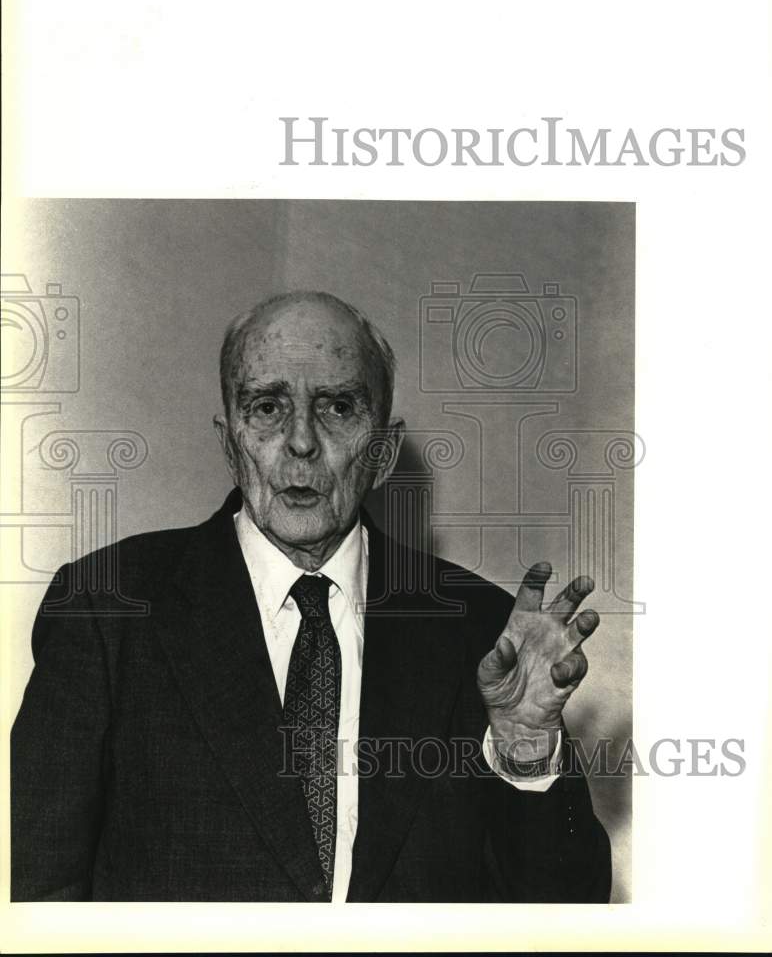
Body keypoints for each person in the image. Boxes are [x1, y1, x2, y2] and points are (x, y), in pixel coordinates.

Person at [11, 291, 611, 902]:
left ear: (380, 449)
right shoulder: (105, 608)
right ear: (229, 441)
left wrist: (526, 751)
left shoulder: (484, 632)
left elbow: (566, 914)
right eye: (268, 406)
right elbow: (36, 896)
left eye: (338, 407)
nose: (301, 442)